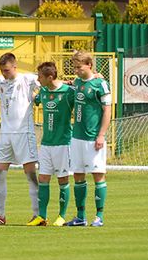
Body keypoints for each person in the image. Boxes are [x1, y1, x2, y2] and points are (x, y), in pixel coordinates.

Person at [0, 53, 40, 225]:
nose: (4, 73)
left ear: (15, 67)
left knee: (30, 174)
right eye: (2, 70)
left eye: (6, 70)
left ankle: (39, 215)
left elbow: (48, 80)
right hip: (6, 135)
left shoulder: (27, 79)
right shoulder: (0, 81)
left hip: (24, 134)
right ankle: (0, 215)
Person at [65, 51, 111, 227]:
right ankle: (80, 216)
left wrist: (101, 135)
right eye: (75, 67)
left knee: (98, 176)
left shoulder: (101, 84)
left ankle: (99, 216)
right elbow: (64, 84)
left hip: (93, 138)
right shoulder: (77, 83)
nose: (76, 70)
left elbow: (107, 110)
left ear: (89, 65)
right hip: (76, 138)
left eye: (79, 67)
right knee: (78, 176)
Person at [27, 62, 75, 227]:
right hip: (46, 144)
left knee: (63, 179)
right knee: (43, 179)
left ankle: (61, 216)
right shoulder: (44, 91)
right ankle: (42, 216)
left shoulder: (69, 92)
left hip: (63, 143)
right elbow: (35, 99)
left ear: (49, 77)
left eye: (40, 76)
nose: (38, 79)